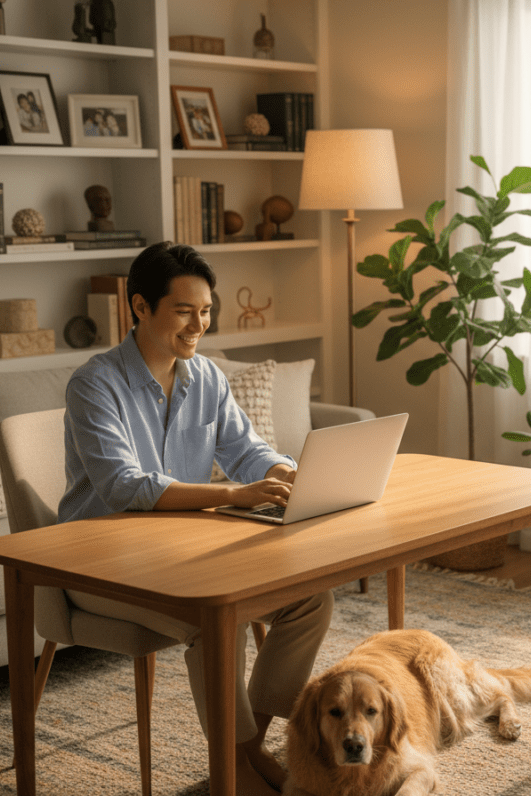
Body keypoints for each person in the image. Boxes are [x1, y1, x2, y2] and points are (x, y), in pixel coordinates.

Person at [57, 242, 333, 795]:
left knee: (310, 598)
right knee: (219, 614)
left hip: (179, 550)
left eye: (206, 311)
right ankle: (232, 772)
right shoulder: (94, 384)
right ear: (140, 307)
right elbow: (123, 485)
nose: (199, 325)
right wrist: (233, 494)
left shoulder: (204, 376)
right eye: (185, 311)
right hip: (98, 562)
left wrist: (290, 473)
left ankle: (244, 749)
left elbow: (247, 450)